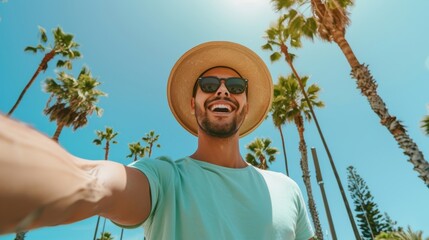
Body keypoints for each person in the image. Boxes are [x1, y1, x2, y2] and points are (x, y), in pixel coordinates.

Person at [0, 41, 314, 239]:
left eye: (234, 84)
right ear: (193, 104)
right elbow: (97, 183)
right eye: (208, 84)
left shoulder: (287, 188)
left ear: (245, 102)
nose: (222, 91)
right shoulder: (164, 178)